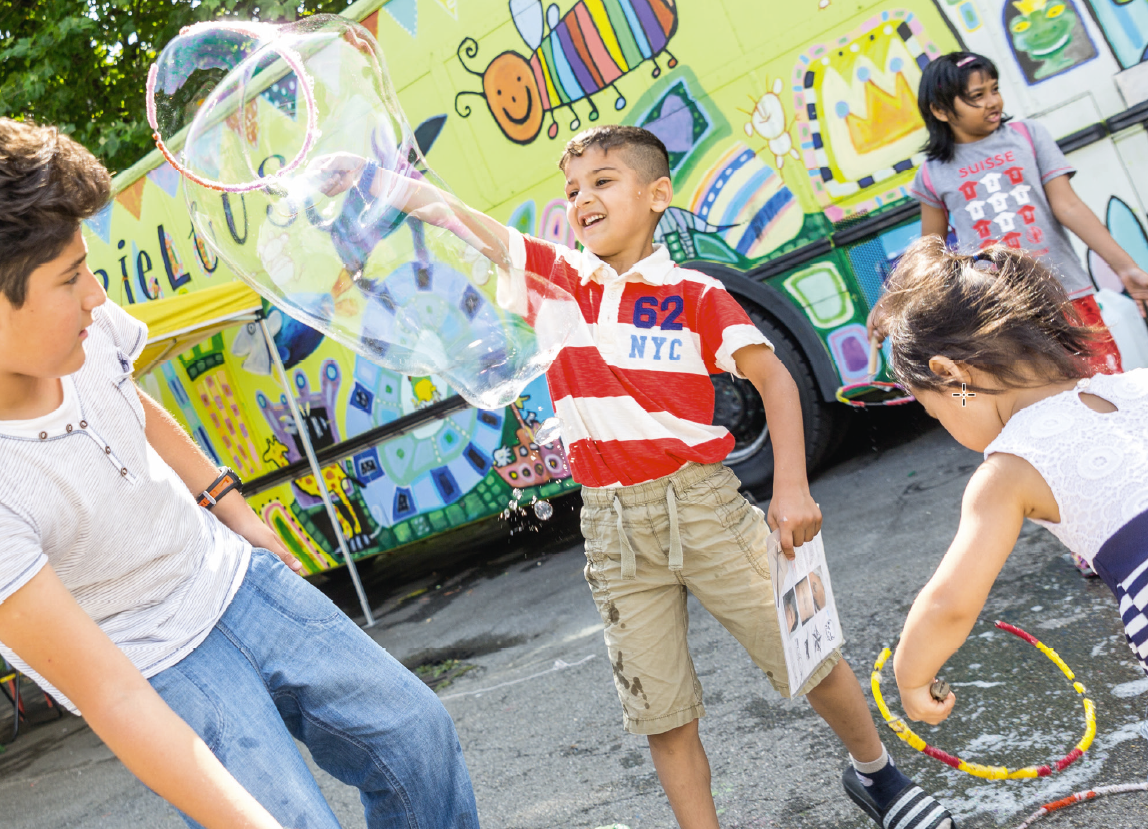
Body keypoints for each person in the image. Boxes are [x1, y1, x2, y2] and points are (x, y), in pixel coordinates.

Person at [316, 125, 956, 829]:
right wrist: (370, 178)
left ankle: (878, 775)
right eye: (571, 190)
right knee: (661, 709)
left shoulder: (695, 292)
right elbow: (455, 216)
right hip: (613, 528)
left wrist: (793, 488)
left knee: (807, 651)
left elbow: (773, 377)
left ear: (657, 195)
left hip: (703, 502)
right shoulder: (556, 281)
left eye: (602, 181)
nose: (582, 199)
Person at [0, 118, 479, 829]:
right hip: (150, 659)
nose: (97, 297)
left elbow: (129, 400)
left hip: (230, 575)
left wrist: (229, 503)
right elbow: (113, 695)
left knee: (416, 734)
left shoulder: (84, 330)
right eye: (71, 279)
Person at [870, 51, 1148, 576]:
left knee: (1097, 395)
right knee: (1033, 423)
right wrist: (894, 302)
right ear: (941, 109)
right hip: (998, 319)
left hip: (1065, 296)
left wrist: (1126, 268)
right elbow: (931, 246)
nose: (993, 101)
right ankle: (1088, 536)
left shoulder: (1028, 137)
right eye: (976, 96)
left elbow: (1067, 205)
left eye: (994, 88)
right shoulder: (934, 172)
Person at [876, 237, 1148, 726]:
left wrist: (911, 676)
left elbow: (949, 605)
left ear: (951, 378)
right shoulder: (1139, 385)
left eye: (932, 409)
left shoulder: (1010, 469)